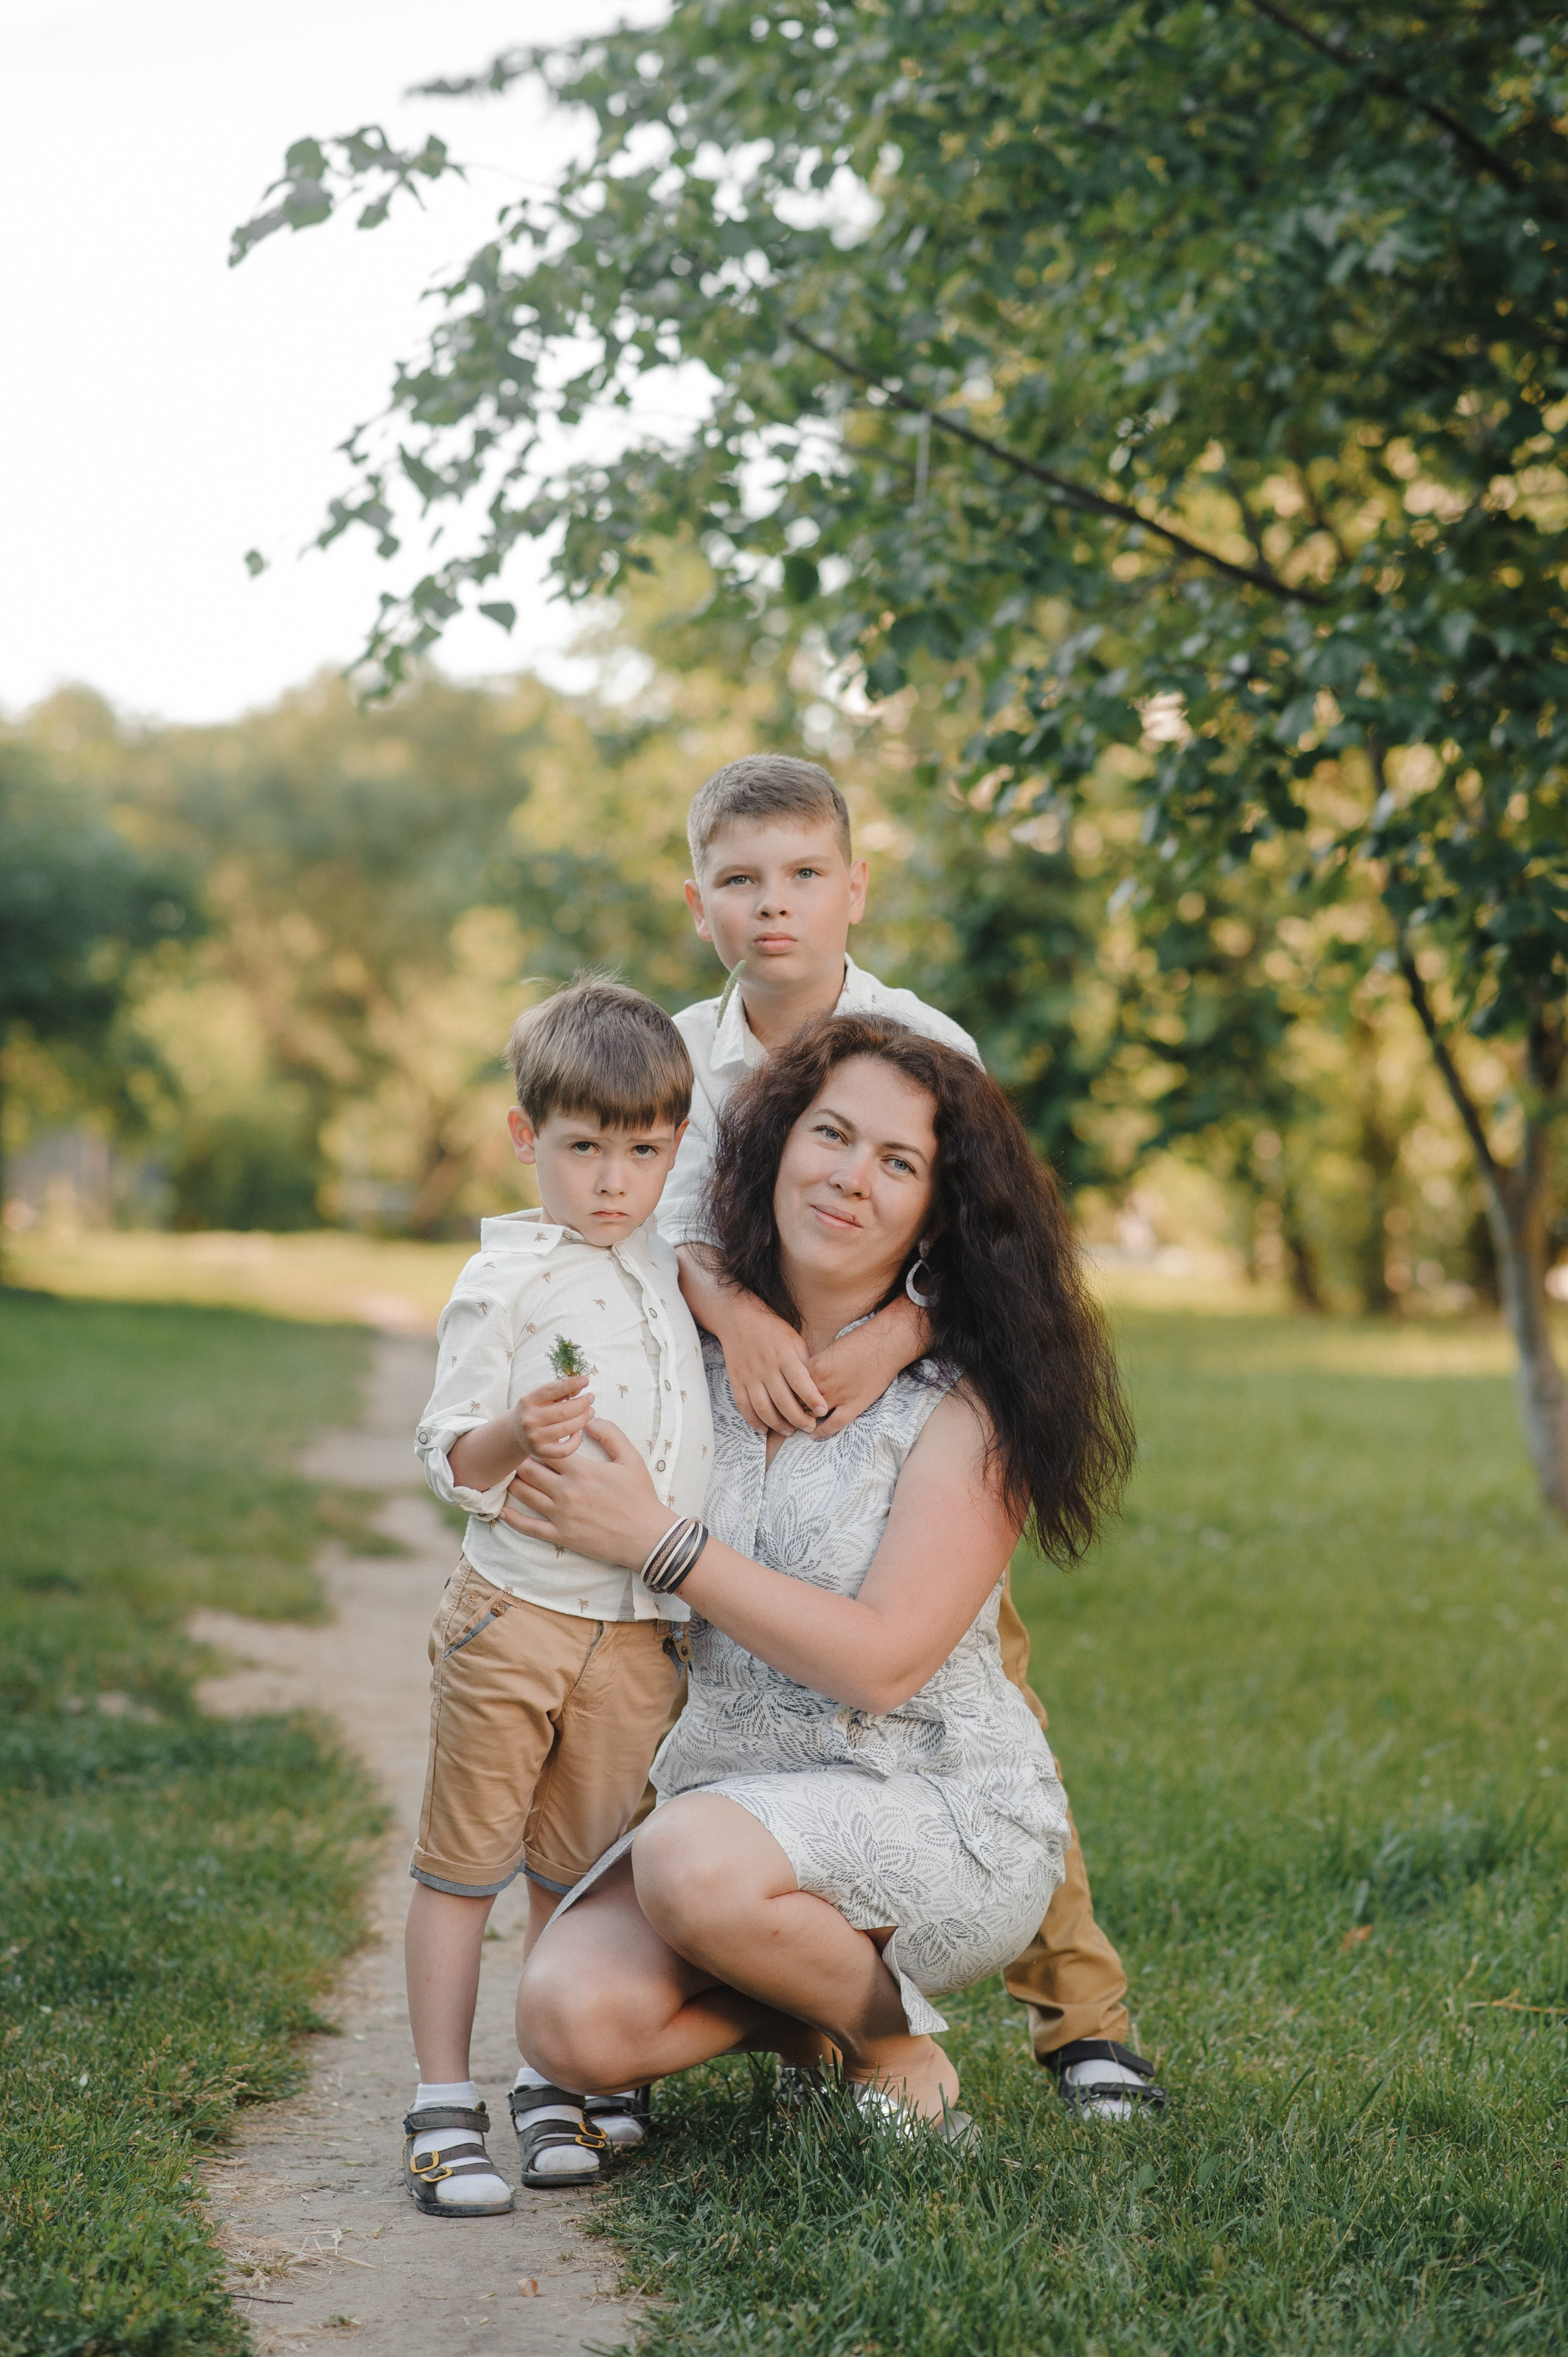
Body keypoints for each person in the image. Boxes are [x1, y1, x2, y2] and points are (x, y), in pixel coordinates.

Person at [503, 1015, 1136, 2134]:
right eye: (831, 1135)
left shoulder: (965, 1405)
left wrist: (661, 1542)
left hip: (935, 1808)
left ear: (939, 1211)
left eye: (898, 1163)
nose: (850, 1177)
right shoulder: (686, 1354)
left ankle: (894, 2046)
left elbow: (885, 1666)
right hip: (730, 1807)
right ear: (775, 1144)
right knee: (568, 2025)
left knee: (690, 1862)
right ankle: (826, 2008)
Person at [655, 753, 1164, 2117]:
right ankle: (779, 1988)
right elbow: (658, 1235)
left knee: (969, 1688)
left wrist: (896, 1333)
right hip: (737, 1416)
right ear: (694, 900)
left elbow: (977, 1233)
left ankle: (1081, 2015)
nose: (775, 908)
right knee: (688, 1677)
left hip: (890, 1410)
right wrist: (736, 1313)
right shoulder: (680, 1060)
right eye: (741, 881)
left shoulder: (924, 1038)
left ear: (853, 889)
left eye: (804, 877)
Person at [400, 979, 713, 2215]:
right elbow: (441, 1457)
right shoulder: (509, 1280)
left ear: (672, 1148)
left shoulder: (662, 1264)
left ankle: (548, 2075)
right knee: (464, 1864)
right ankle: (439, 2103)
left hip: (635, 1631)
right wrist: (507, 1433)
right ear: (527, 1138)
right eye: (583, 1148)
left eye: (642, 1151)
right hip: (515, 1615)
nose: (611, 1180)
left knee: (577, 1874)